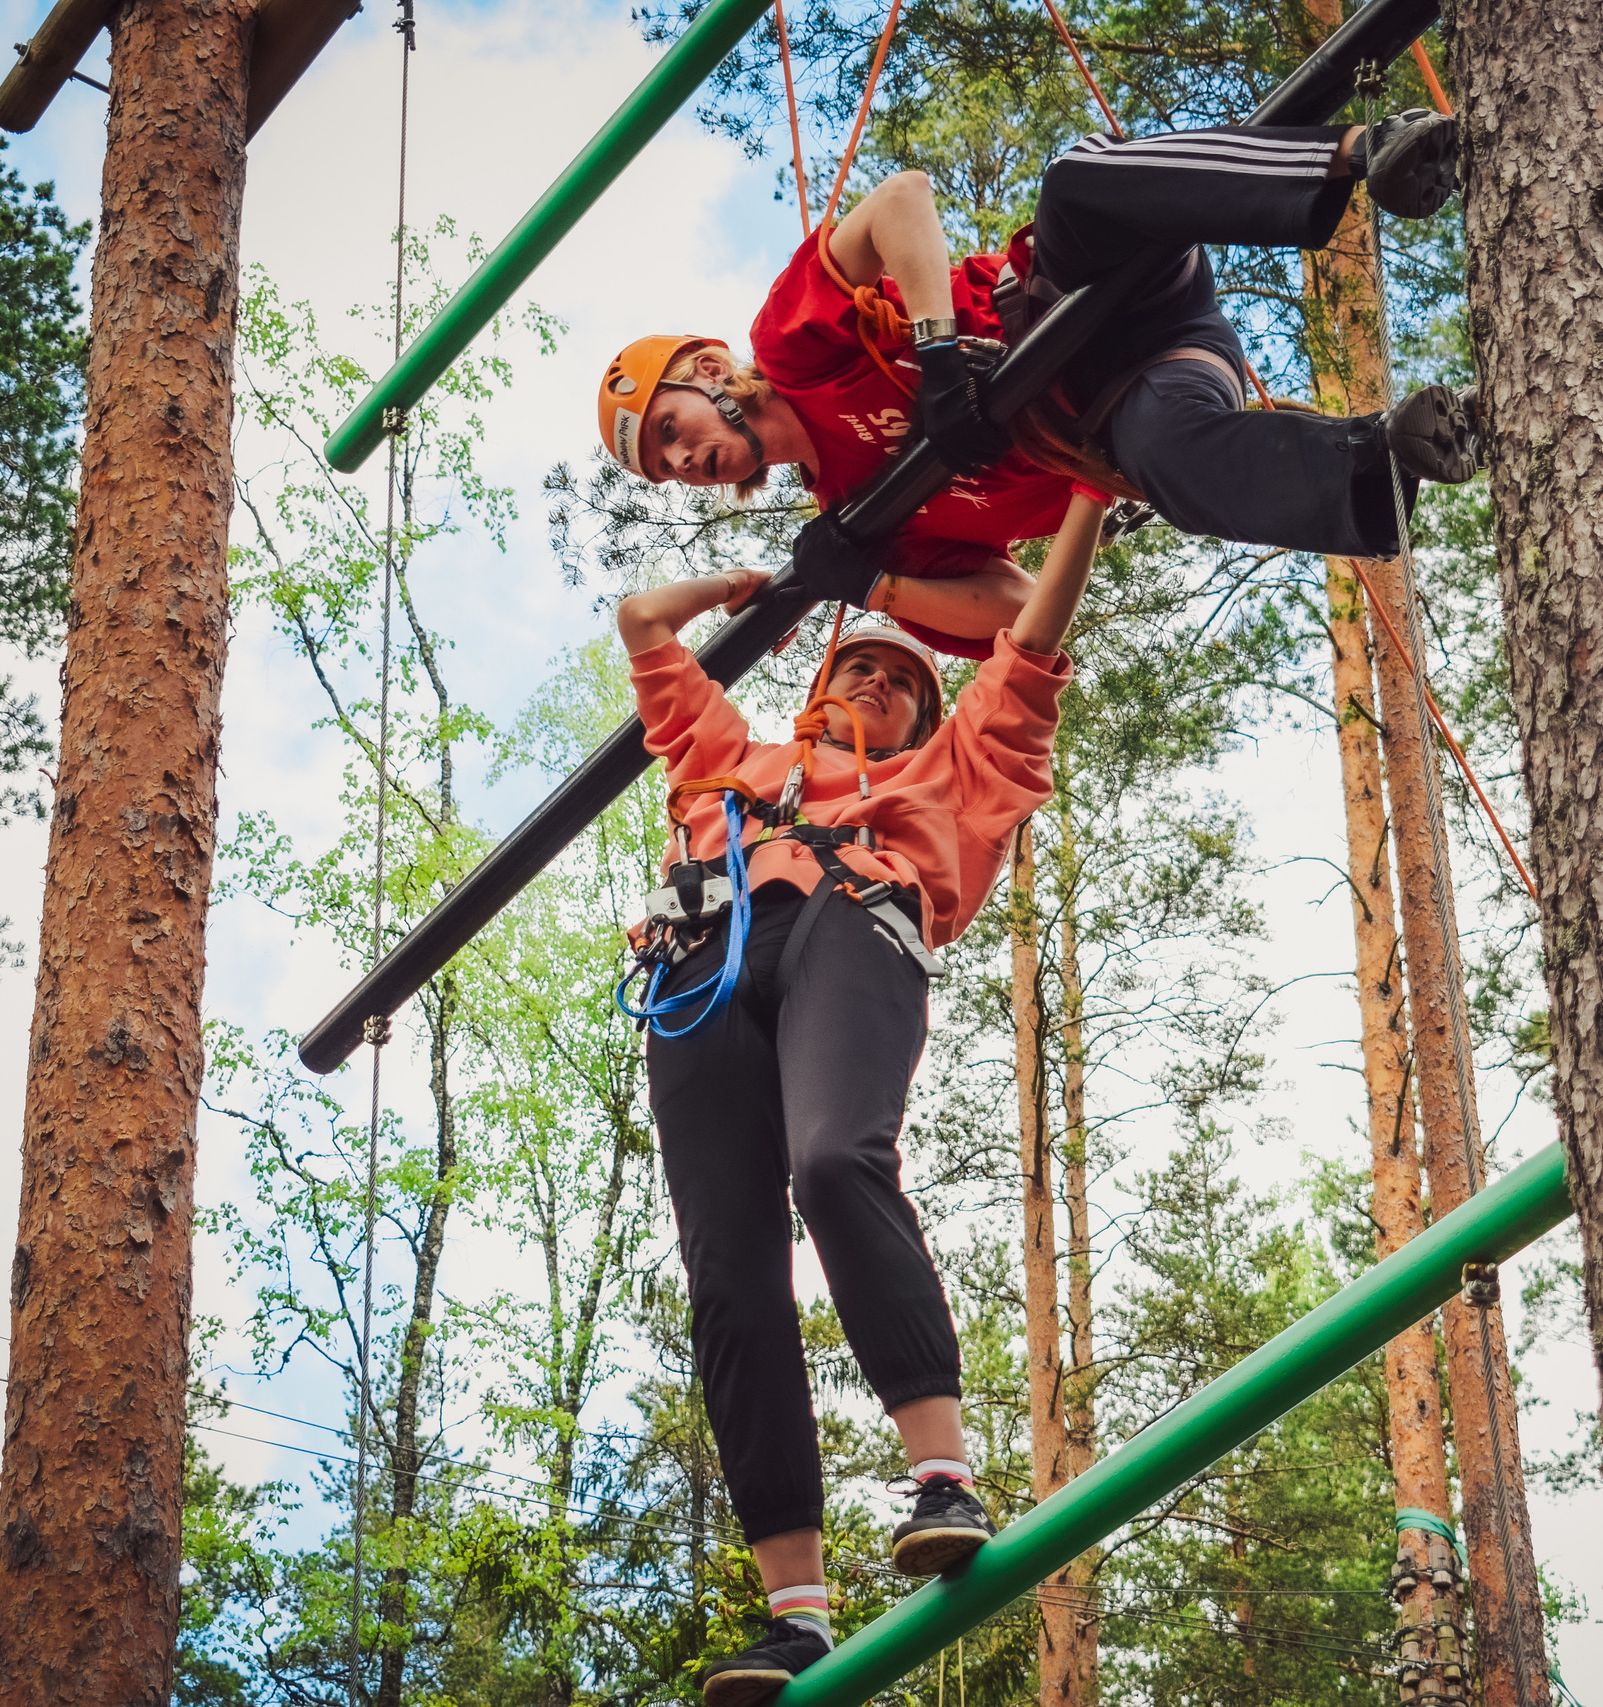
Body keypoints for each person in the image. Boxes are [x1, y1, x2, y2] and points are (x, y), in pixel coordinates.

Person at [614, 489, 1111, 1706]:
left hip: (851, 923)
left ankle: (943, 1479)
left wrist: (1089, 493)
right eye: (861, 669)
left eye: (904, 683)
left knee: (836, 1160)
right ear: (818, 684)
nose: (881, 684)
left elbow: (1031, 640)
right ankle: (796, 1614)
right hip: (701, 965)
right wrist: (758, 589)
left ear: (928, 715)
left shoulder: (956, 770)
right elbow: (644, 623)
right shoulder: (729, 761)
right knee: (727, 1272)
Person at [594, 111, 1477, 659]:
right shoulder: (865, 516)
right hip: (1133, 400)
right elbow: (1017, 613)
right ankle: (1390, 458)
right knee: (1167, 460)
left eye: (670, 430)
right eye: (668, 471)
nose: (683, 462)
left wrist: (941, 359)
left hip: (1085, 293)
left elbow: (902, 200)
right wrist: (873, 588)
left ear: (707, 373)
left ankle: (1365, 152)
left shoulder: (792, 344)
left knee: (1074, 187)